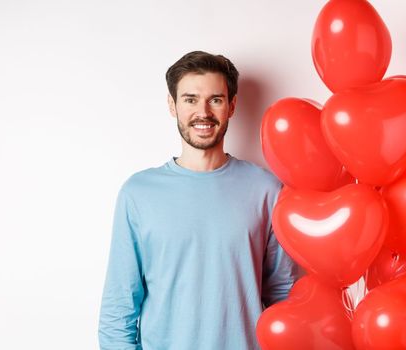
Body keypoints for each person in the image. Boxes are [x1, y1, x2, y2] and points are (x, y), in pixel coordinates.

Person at [98, 51, 299, 350]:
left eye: (215, 99)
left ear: (231, 106)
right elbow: (119, 308)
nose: (202, 112)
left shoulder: (266, 189)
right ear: (172, 105)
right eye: (190, 99)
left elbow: (283, 294)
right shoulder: (138, 193)